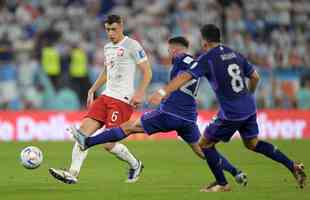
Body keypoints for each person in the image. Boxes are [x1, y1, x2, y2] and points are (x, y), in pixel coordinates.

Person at [70, 36, 248, 186]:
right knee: (203, 150)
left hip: (170, 113)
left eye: (170, 50)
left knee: (128, 127)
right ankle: (236, 172)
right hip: (188, 117)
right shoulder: (198, 64)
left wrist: (163, 92)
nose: (168, 53)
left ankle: (88, 142)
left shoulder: (181, 59)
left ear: (175, 49)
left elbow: (183, 71)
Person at [148, 24, 307, 192]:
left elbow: (185, 76)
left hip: (232, 112)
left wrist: (162, 91)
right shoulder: (235, 54)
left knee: (204, 144)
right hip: (249, 107)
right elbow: (255, 77)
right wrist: (249, 95)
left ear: (205, 42)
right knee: (253, 143)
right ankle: (292, 166)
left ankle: (222, 183)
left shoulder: (207, 58)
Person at [48, 14, 152, 184]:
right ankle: (72, 173)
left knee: (109, 144)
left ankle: (136, 164)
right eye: (108, 30)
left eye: (114, 29)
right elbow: (107, 71)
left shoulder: (132, 45)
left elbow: (147, 72)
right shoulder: (107, 48)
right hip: (106, 96)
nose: (111, 33)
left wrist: (140, 92)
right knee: (82, 134)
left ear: (121, 26)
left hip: (122, 100)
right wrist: (93, 89)